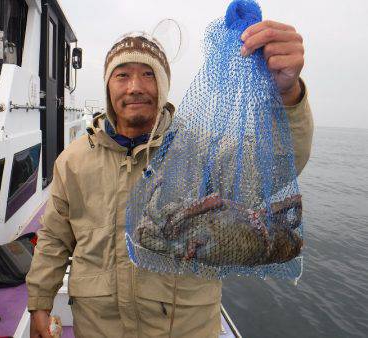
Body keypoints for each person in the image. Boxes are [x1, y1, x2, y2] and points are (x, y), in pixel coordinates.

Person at [26, 20, 313, 338]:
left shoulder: (204, 150)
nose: (135, 86)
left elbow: (277, 167)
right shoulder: (73, 160)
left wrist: (288, 94)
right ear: (108, 86)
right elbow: (54, 238)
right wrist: (40, 303)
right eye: (122, 75)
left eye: (148, 74)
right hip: (98, 327)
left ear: (162, 85)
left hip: (185, 328)